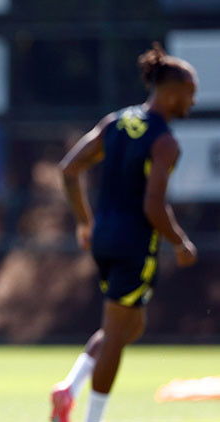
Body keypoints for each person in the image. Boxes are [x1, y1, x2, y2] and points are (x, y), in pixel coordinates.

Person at [51, 43, 198, 422]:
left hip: (104, 238)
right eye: (189, 94)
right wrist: (180, 243)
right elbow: (153, 207)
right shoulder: (165, 142)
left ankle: (69, 388)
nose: (192, 102)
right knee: (117, 334)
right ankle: (93, 418)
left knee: (130, 325)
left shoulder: (116, 122)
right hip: (134, 244)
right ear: (172, 94)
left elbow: (69, 169)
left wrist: (85, 222)